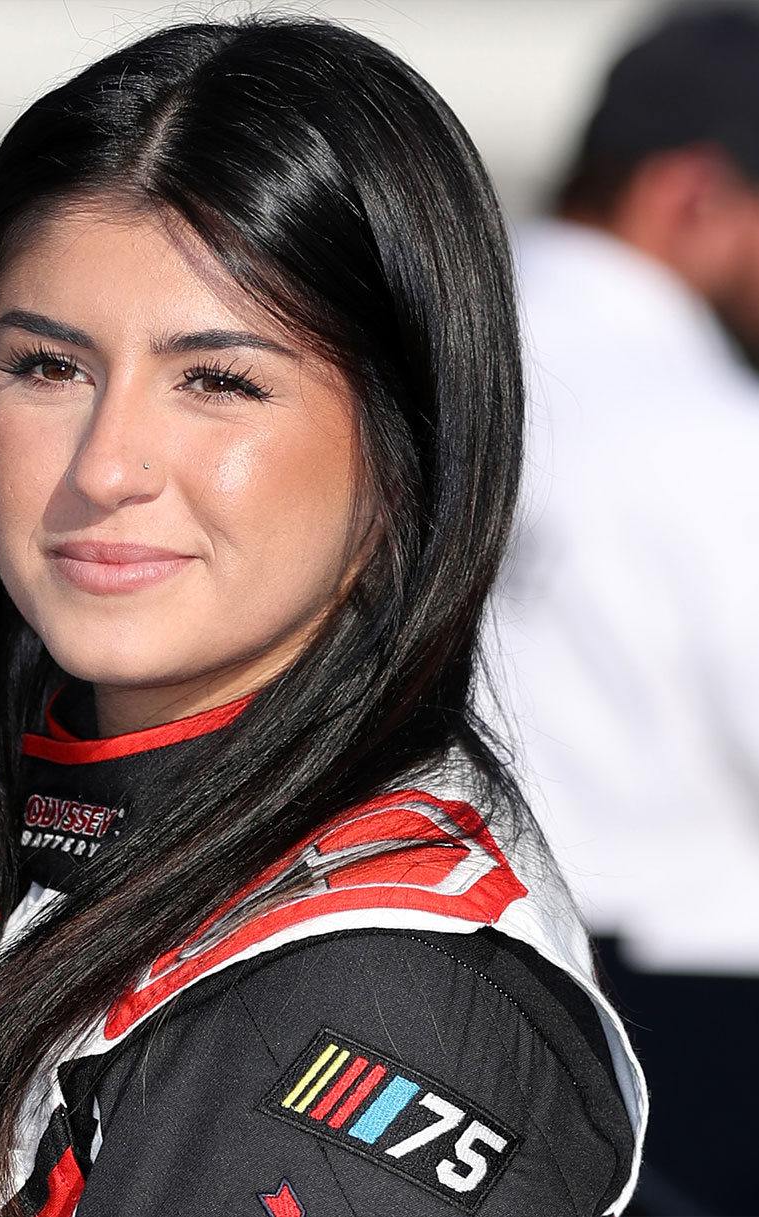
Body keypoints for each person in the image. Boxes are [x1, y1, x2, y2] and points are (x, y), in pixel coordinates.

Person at [0, 17, 645, 1217]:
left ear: (409, 450)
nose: (105, 465)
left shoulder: (373, 999)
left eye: (217, 381)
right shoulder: (14, 843)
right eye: (48, 366)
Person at [494, 8, 759, 1212]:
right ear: (696, 195)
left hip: (419, 971)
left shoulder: (402, 357)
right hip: (697, 1036)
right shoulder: (709, 430)